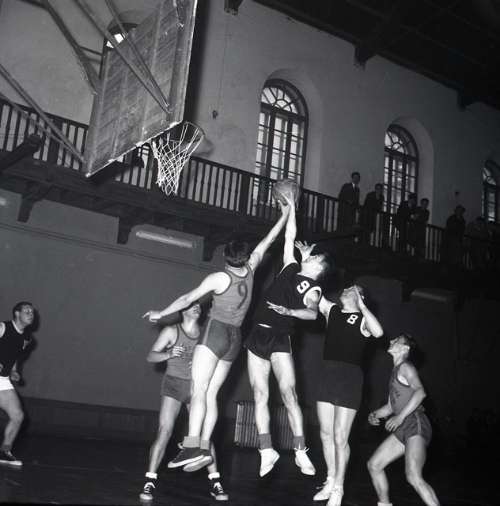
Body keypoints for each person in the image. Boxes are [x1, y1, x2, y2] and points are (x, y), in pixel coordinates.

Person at [143, 200, 291, 472]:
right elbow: (269, 240)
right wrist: (285, 215)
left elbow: (187, 298)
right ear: (245, 256)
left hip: (216, 333)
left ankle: (191, 446)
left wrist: (160, 313)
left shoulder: (219, 278)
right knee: (211, 394)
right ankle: (203, 447)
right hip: (235, 338)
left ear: (225, 256)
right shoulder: (252, 267)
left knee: (198, 390)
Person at [245, 198, 331, 478]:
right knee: (260, 394)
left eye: (315, 257)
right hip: (257, 334)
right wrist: (292, 207)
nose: (310, 255)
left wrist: (289, 311)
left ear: (319, 269)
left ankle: (300, 451)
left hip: (281, 337)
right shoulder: (290, 266)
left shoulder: (313, 289)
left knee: (289, 394)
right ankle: (266, 451)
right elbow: (290, 236)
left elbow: (313, 314)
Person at [140, 302, 229, 502]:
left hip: (196, 388)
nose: (197, 307)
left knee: (204, 436)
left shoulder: (205, 333)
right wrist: (169, 354)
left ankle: (216, 483)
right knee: (164, 431)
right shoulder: (172, 331)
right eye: (192, 305)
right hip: (173, 385)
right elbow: (151, 356)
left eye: (199, 305)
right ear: (182, 310)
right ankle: (149, 481)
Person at [313, 286, 383, 505]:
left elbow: (378, 333)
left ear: (360, 297)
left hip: (349, 378)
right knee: (325, 433)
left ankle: (339, 488)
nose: (344, 290)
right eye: (344, 288)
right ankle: (330, 479)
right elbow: (312, 291)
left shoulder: (362, 319)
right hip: (327, 373)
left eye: (351, 289)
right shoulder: (332, 310)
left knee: (340, 436)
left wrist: (362, 306)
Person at [367, 334, 440, 506]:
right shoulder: (395, 372)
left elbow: (420, 392)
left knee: (413, 476)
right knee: (374, 465)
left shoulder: (406, 367)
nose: (391, 341)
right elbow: (390, 407)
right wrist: (374, 414)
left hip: (415, 422)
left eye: (396, 340)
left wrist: (400, 417)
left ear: (405, 348)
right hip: (404, 426)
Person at [0, 301, 35, 467]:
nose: (31, 314)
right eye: (27, 311)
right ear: (17, 313)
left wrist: (14, 370)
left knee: (18, 416)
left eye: (32, 312)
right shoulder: (3, 328)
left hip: (2, 379)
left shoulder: (27, 338)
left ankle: (4, 452)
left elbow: (15, 355)